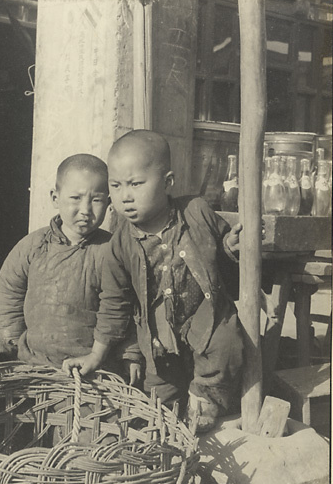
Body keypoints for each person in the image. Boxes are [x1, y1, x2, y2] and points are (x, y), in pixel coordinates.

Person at [63, 131, 244, 432]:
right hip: (160, 338)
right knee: (159, 400)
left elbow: (225, 267)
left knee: (225, 347)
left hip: (206, 322)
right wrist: (97, 354)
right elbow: (114, 302)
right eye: (116, 186)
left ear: (168, 182)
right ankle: (169, 423)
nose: (126, 196)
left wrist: (230, 248)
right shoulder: (120, 243)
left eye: (136, 184)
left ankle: (206, 400)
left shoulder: (196, 212)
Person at [0, 153, 142, 380]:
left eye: (97, 200)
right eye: (75, 198)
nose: (85, 209)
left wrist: (130, 354)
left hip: (93, 367)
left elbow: (129, 307)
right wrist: (11, 345)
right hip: (33, 363)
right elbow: (9, 293)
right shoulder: (32, 246)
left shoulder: (112, 251)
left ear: (109, 203)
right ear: (55, 197)